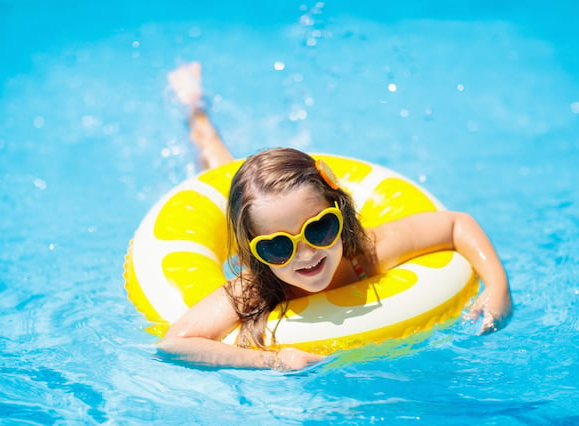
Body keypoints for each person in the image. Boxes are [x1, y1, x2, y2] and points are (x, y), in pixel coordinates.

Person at [158, 62, 513, 371]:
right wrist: (271, 360)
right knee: (220, 166)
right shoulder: (254, 289)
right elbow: (176, 343)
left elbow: (456, 224)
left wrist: (497, 286)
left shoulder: (367, 253)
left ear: (340, 214)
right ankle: (196, 113)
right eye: (278, 247)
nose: (307, 254)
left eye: (320, 228)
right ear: (253, 253)